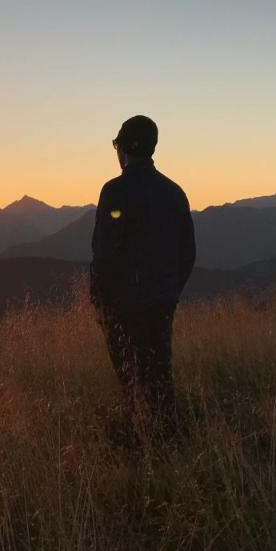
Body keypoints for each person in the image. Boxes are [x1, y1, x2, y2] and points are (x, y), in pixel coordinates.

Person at [90, 115, 196, 437]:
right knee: (159, 373)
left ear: (122, 147)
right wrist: (170, 291)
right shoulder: (174, 192)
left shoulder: (114, 191)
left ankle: (138, 437)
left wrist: (100, 299)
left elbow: (104, 251)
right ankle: (167, 437)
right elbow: (187, 252)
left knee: (130, 376)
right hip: (160, 301)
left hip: (122, 303)